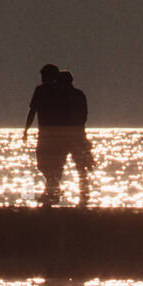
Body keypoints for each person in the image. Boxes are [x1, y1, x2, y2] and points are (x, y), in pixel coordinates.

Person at [23, 64, 70, 205]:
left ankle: (51, 192)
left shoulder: (60, 91)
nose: (43, 79)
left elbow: (67, 112)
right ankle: (53, 190)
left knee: (54, 164)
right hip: (45, 134)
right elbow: (33, 111)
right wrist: (26, 129)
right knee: (43, 164)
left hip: (55, 134)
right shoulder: (40, 90)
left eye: (45, 76)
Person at [60, 70, 93, 206]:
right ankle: (84, 195)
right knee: (81, 166)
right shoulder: (79, 95)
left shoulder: (62, 96)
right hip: (79, 134)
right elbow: (84, 115)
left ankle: (83, 195)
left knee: (60, 165)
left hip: (69, 135)